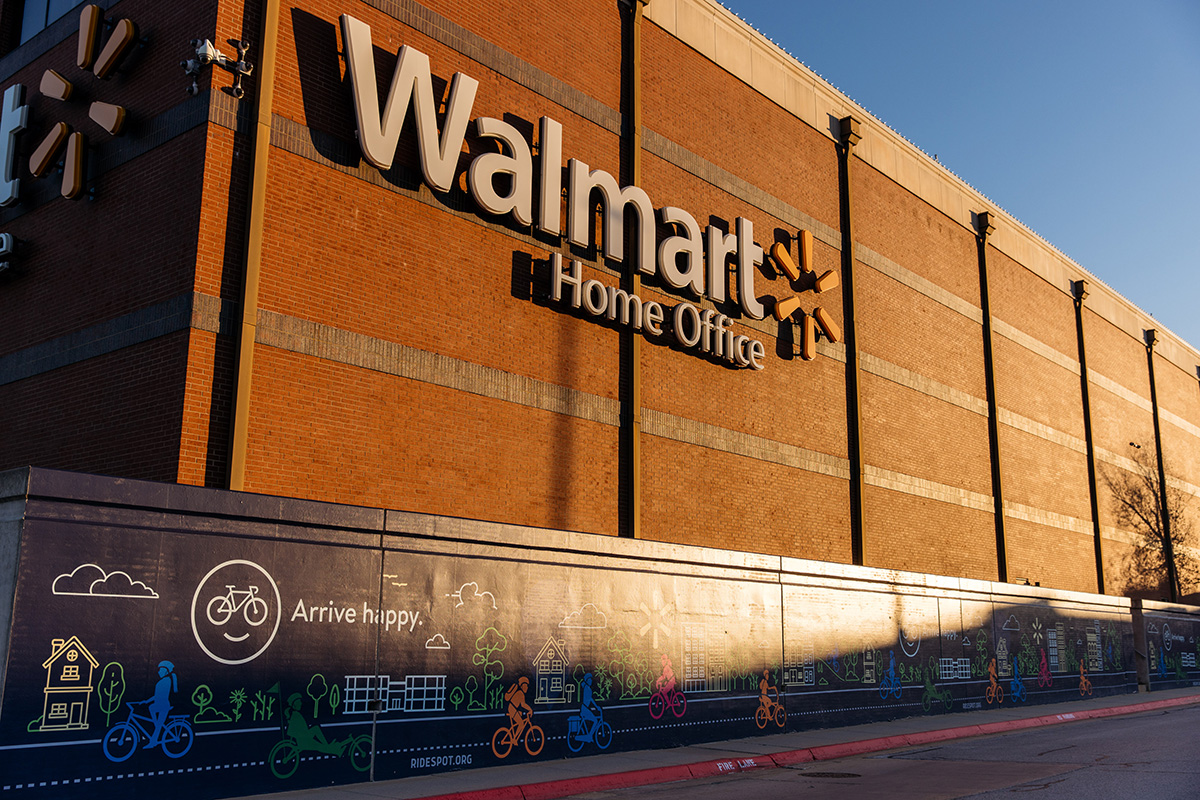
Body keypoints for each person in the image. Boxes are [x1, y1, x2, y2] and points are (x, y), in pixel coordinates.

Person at [145, 660, 177, 747]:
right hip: (160, 704)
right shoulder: (162, 681)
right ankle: (157, 725)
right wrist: (145, 701)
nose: (158, 672)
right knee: (151, 708)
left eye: (161, 670)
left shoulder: (166, 681)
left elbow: (161, 695)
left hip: (163, 705)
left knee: (157, 723)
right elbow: (156, 696)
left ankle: (153, 742)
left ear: (166, 671)